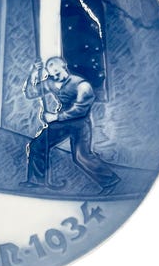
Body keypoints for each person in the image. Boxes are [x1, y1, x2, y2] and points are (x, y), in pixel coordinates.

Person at [21, 56, 120, 192]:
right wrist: (32, 74)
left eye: (57, 73)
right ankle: (37, 182)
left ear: (64, 67)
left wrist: (55, 117)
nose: (55, 77)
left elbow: (80, 110)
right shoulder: (50, 82)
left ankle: (110, 181)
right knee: (37, 146)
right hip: (61, 122)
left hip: (79, 123)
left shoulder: (82, 85)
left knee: (81, 156)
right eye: (52, 75)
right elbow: (30, 93)